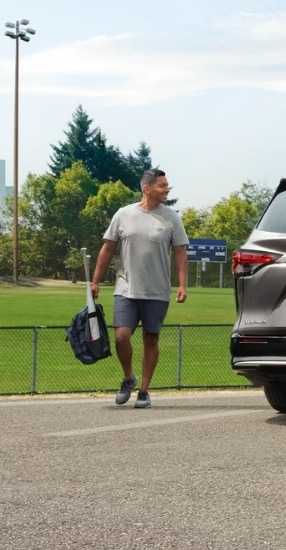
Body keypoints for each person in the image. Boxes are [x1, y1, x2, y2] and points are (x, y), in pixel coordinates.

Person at [91, 169, 189, 408]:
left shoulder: (171, 218)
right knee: (121, 337)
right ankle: (128, 378)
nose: (167, 189)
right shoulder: (123, 214)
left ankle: (144, 390)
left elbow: (180, 252)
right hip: (126, 288)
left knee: (151, 339)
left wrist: (182, 284)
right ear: (147, 188)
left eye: (168, 185)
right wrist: (95, 280)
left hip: (157, 291)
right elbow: (107, 248)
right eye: (162, 185)